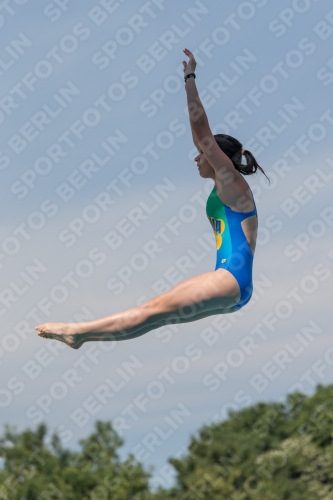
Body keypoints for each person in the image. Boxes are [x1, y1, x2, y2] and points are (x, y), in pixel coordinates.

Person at [35, 48, 269, 350]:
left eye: (202, 154)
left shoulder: (232, 183)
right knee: (156, 315)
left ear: (218, 158)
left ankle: (78, 331)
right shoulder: (222, 189)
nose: (196, 157)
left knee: (153, 310)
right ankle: (82, 335)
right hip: (232, 286)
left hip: (230, 280)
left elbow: (203, 134)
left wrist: (189, 79)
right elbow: (202, 140)